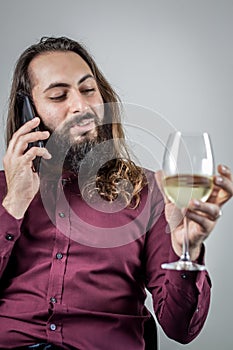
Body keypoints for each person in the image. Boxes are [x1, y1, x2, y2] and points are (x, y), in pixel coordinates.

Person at [0, 36, 232, 350]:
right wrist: (13, 203)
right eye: (58, 95)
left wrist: (184, 247)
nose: (80, 105)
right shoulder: (4, 190)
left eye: (87, 89)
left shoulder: (148, 192)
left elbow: (181, 328)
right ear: (29, 111)